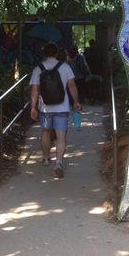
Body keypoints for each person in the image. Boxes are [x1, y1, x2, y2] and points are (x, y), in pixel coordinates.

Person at [30, 42, 82, 178]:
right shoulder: (64, 67)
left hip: (45, 108)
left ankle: (46, 158)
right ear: (57, 53)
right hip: (62, 107)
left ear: (44, 53)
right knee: (61, 136)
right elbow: (72, 86)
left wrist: (33, 107)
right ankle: (59, 162)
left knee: (46, 132)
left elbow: (35, 90)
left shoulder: (38, 69)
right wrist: (76, 101)